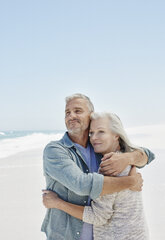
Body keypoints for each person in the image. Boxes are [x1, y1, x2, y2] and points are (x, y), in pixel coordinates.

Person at [41, 93, 155, 240]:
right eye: (67, 113)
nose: (71, 116)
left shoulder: (101, 149)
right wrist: (131, 182)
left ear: (91, 115)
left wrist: (128, 158)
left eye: (78, 111)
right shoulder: (55, 150)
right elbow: (81, 184)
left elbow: (148, 154)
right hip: (66, 235)